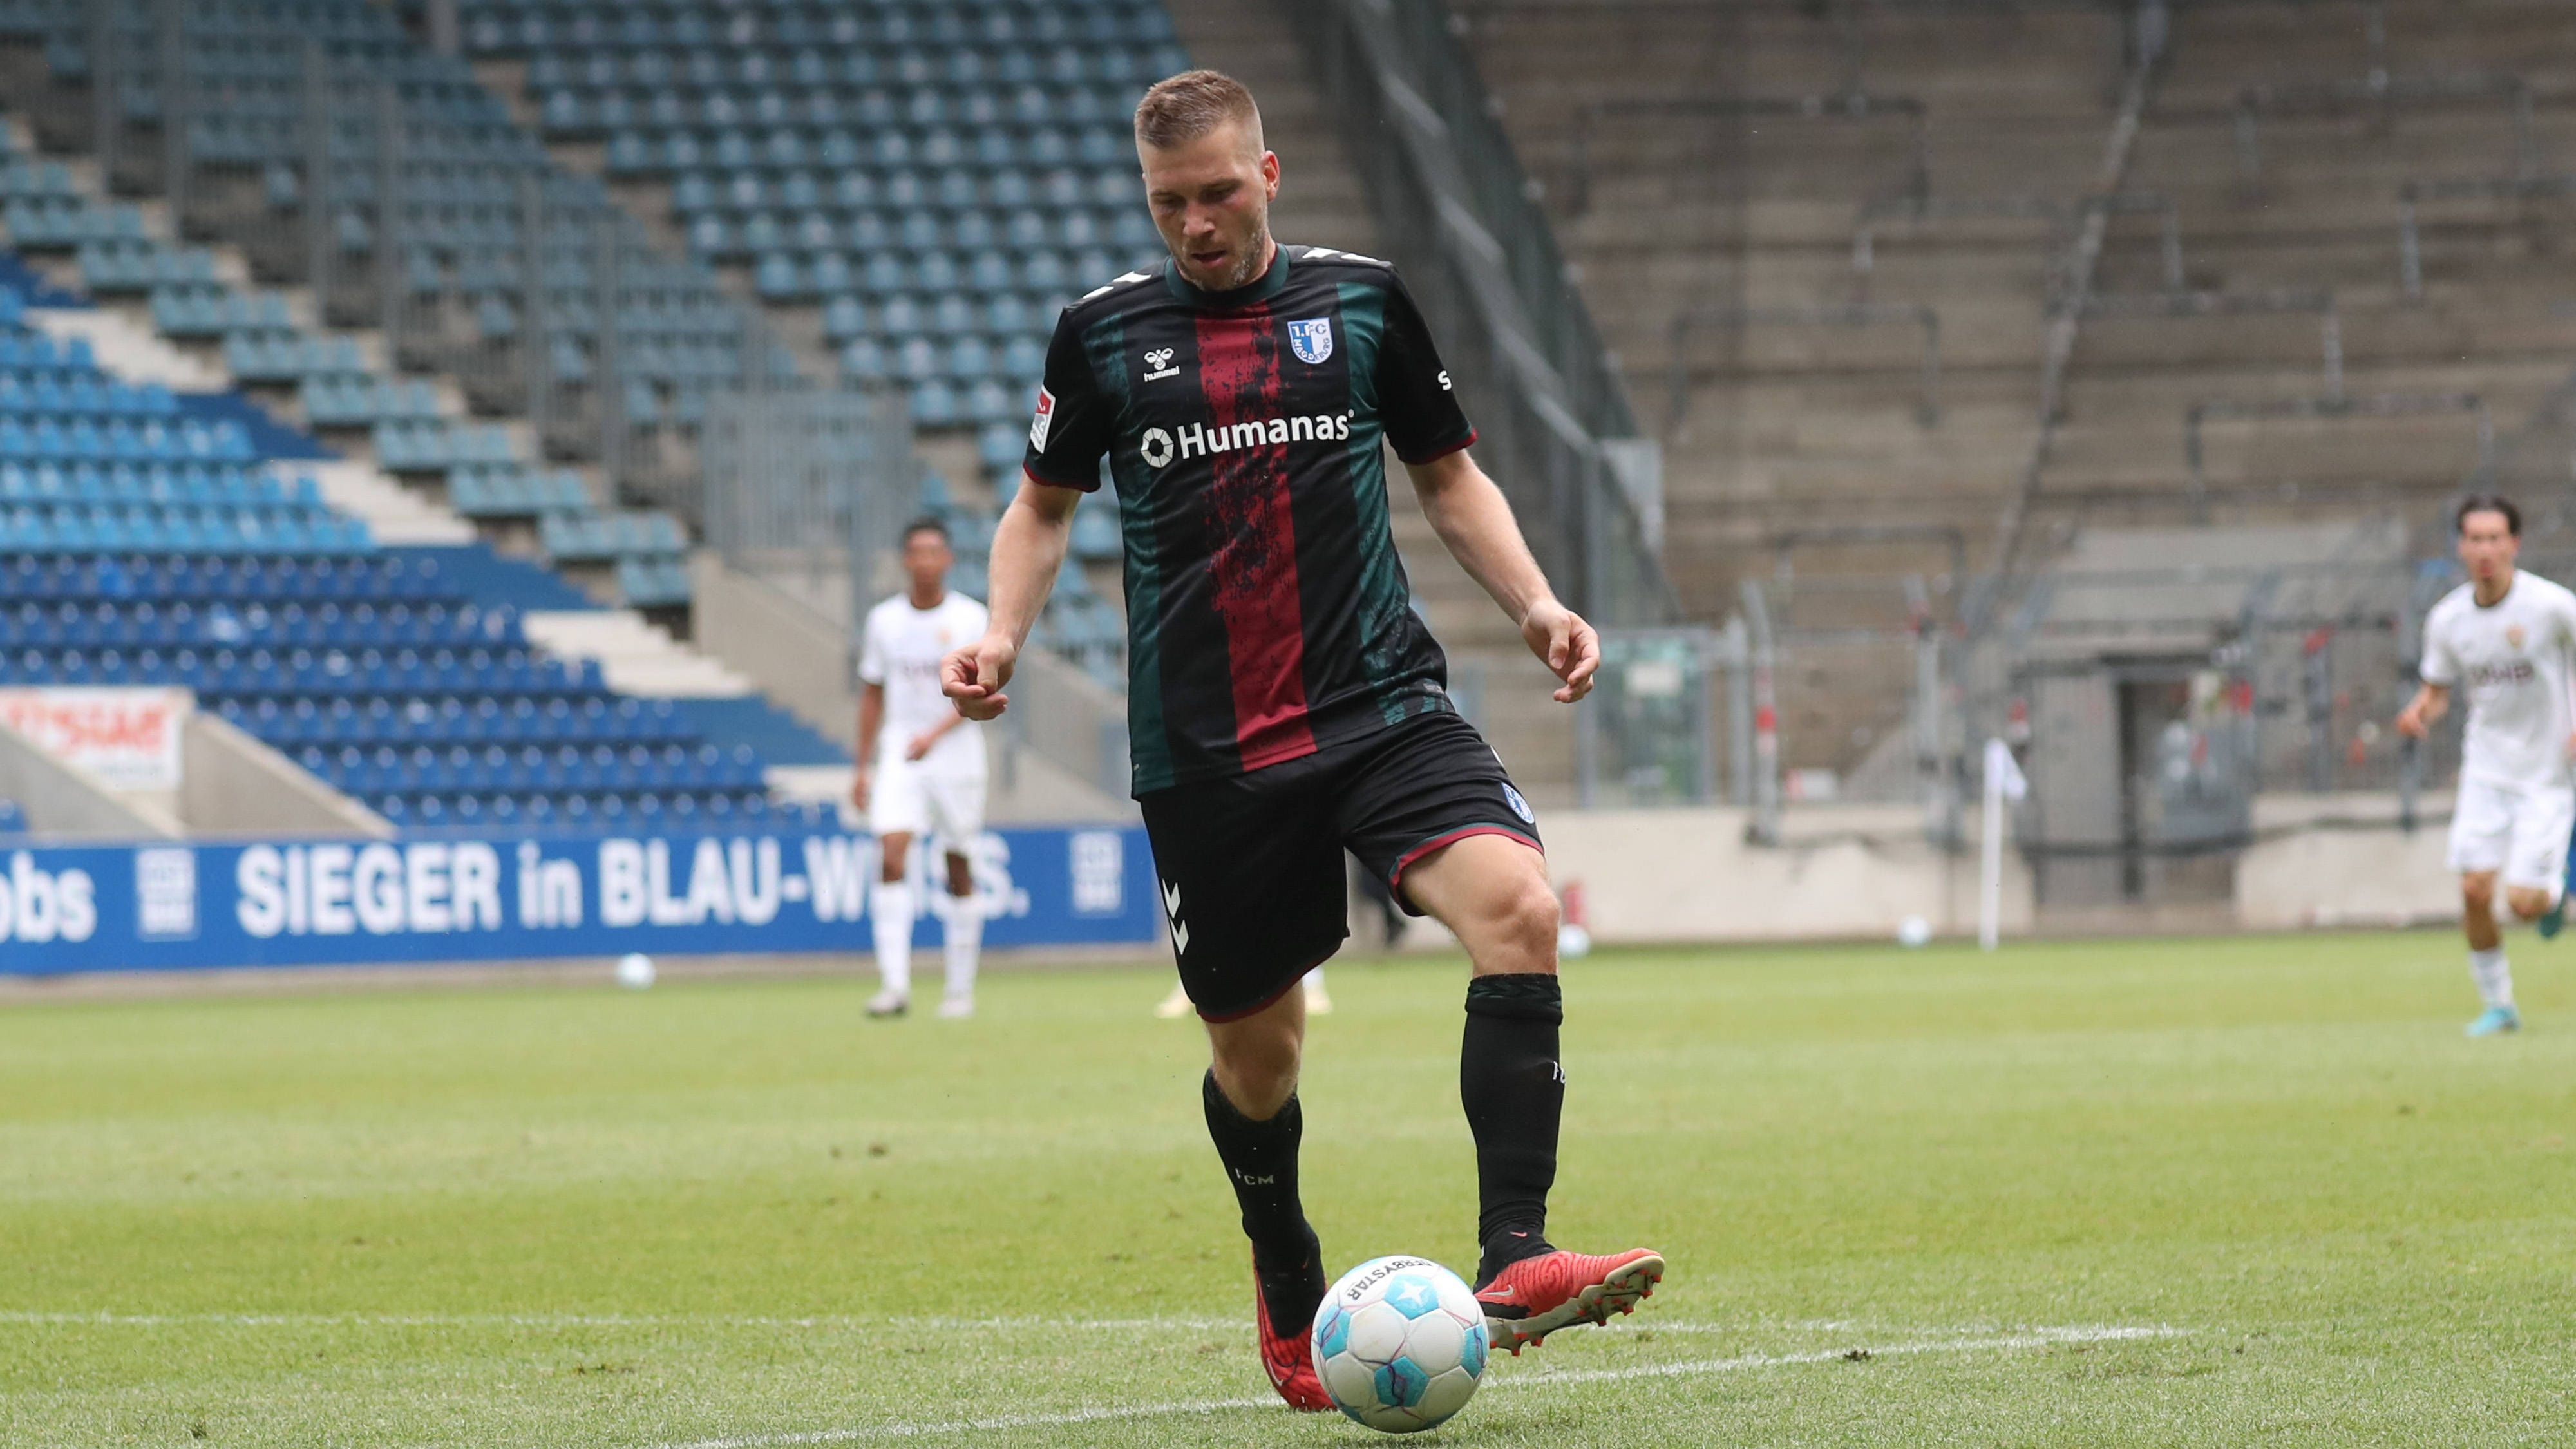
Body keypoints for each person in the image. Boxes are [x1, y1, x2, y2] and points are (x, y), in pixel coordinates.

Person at [942, 70, 1662, 1410]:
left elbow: (1447, 472)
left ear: (1267, 175)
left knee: (1515, 905)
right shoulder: (1099, 337)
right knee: (1255, 1057)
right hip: (1208, 751)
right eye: (1170, 203)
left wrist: (1537, 602)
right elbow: (1039, 509)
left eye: (1219, 193)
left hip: (1380, 703)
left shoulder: (1363, 301)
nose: (1196, 223)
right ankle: (1284, 1272)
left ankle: (1514, 1255)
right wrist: (1000, 634)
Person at [2396, 493, 2576, 1037]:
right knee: (2474, 890)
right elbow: (2440, 690)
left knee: (2522, 904)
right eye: (2475, 539)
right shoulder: (2448, 619)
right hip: (2487, 770)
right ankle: (2500, 1006)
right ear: (2461, 546)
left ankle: (2555, 888)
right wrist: (2420, 710)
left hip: (2547, 774)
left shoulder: (2550, 606)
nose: (2485, 549)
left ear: (2515, 544)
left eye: (2496, 538)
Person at [854, 517, 990, 1019]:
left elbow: (985, 689)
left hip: (955, 752)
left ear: (948, 559)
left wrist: (933, 735)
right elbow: (872, 693)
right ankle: (894, 986)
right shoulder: (884, 621)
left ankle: (959, 991)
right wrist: (862, 766)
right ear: (906, 561)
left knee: (958, 865)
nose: (927, 561)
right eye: (918, 552)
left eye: (935, 551)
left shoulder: (972, 619)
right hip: (899, 751)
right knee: (891, 855)